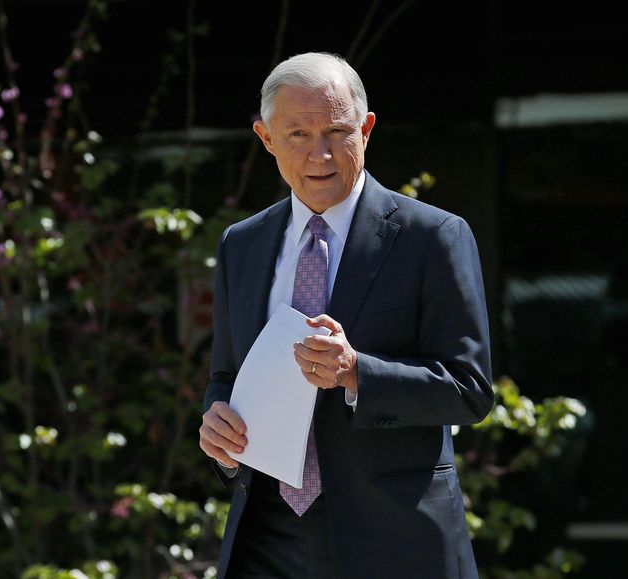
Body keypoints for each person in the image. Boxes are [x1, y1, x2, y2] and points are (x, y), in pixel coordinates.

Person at [197, 52, 493, 579]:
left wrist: (356, 372)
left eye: (337, 131)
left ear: (366, 129)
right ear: (266, 138)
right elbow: (226, 376)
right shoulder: (242, 244)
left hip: (393, 540)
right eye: (298, 135)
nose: (321, 155)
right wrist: (220, 429)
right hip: (267, 536)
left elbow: (469, 390)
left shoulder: (433, 237)